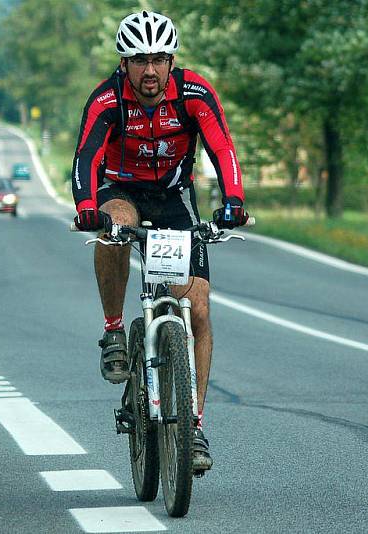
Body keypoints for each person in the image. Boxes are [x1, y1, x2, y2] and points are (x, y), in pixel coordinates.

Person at [71, 10, 250, 472]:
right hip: (120, 190)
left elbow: (222, 147)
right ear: (124, 63)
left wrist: (233, 200)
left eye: (158, 60)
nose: (149, 71)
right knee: (114, 226)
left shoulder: (195, 92)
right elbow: (86, 157)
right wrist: (86, 207)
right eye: (139, 61)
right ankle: (114, 330)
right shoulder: (107, 99)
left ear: (172, 61)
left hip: (173, 196)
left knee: (201, 308)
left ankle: (192, 427)